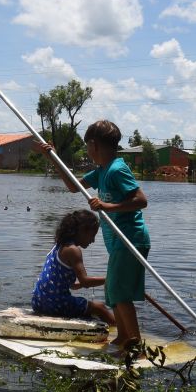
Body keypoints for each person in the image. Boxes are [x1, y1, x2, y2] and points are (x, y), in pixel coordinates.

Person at [50, 120, 150, 355]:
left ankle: (135, 345)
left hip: (131, 239)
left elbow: (141, 200)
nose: (87, 151)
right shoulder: (102, 171)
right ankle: (124, 336)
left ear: (93, 145)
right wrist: (53, 157)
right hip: (118, 242)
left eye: (87, 147)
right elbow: (74, 187)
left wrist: (107, 205)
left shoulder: (117, 169)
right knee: (114, 291)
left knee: (119, 291)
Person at [31, 209, 116, 326]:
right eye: (92, 235)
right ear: (82, 231)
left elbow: (71, 285)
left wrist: (88, 283)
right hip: (55, 303)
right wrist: (111, 279)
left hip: (38, 302)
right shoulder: (73, 250)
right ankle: (119, 333)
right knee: (100, 307)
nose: (93, 240)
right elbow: (85, 282)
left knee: (87, 310)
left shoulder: (59, 245)